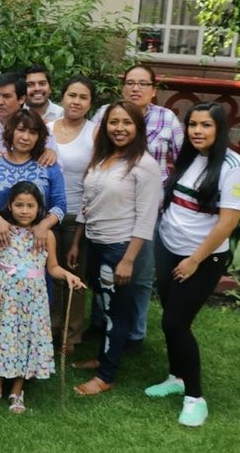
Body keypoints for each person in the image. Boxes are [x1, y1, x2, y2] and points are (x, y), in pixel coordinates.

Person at [145, 102, 240, 427]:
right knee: (169, 316)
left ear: (219, 129)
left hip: (202, 258)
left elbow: (227, 223)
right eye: (193, 125)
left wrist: (194, 260)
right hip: (169, 247)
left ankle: (195, 397)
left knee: (176, 324)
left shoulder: (235, 168)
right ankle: (176, 377)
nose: (197, 131)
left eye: (205, 125)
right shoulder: (190, 156)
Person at [69, 100, 162, 396]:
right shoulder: (103, 159)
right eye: (113, 122)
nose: (119, 129)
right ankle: (105, 356)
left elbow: (147, 218)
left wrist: (129, 259)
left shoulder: (144, 165)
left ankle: (106, 375)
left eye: (126, 123)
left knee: (115, 311)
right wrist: (76, 242)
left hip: (119, 248)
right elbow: (88, 204)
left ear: (138, 127)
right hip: (96, 244)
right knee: (105, 306)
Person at [0, 181, 85, 413]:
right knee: (2, 339)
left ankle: (17, 390)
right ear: (9, 206)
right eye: (19, 205)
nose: (24, 210)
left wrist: (68, 275)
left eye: (30, 205)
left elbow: (52, 267)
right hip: (4, 295)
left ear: (39, 208)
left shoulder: (46, 235)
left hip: (32, 300)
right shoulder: (1, 232)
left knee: (25, 341)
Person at [94, 64, 184, 349]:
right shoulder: (107, 114)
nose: (136, 88)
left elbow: (182, 162)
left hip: (148, 209)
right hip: (111, 209)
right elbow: (97, 154)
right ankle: (101, 326)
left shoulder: (167, 119)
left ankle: (134, 333)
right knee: (103, 273)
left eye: (143, 83)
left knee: (140, 276)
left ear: (153, 89)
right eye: (130, 82)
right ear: (122, 88)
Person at [47, 76, 96, 353]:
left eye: (83, 97)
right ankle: (51, 328)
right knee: (50, 274)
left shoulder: (94, 132)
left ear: (90, 103)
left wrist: (80, 230)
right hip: (45, 215)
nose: (76, 101)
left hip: (76, 216)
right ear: (62, 97)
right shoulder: (46, 128)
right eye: (72, 95)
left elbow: (97, 175)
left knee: (73, 274)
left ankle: (71, 334)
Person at [0, 110, 66, 253]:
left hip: (39, 246)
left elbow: (60, 204)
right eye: (20, 130)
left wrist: (43, 226)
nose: (26, 137)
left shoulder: (48, 165)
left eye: (32, 132)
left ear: (39, 137)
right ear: (11, 131)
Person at [0, 72, 57, 165]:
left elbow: (56, 169)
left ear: (21, 99)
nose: (0, 102)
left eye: (6, 96)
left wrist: (50, 153)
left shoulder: (38, 126)